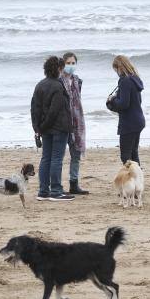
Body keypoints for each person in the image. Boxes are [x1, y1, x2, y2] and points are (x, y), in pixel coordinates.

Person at [30, 56, 74, 202]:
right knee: (56, 159)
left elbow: (34, 108)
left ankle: (43, 191)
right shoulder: (58, 86)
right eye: (61, 68)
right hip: (58, 128)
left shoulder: (40, 85)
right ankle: (56, 191)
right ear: (58, 69)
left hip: (45, 129)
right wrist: (43, 126)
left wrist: (37, 128)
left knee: (46, 158)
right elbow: (55, 111)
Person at [106, 55, 145, 165]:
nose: (116, 72)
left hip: (129, 123)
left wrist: (112, 100)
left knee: (126, 156)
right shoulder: (135, 79)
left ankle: (132, 179)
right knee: (133, 153)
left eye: (116, 69)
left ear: (120, 67)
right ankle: (137, 179)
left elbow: (123, 104)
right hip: (138, 120)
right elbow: (136, 101)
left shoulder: (125, 81)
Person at [60, 52, 89, 194]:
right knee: (58, 156)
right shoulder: (58, 80)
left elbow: (77, 102)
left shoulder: (78, 81)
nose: (71, 66)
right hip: (63, 122)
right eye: (68, 63)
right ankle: (56, 185)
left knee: (76, 154)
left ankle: (74, 184)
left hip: (77, 122)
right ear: (63, 64)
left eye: (73, 63)